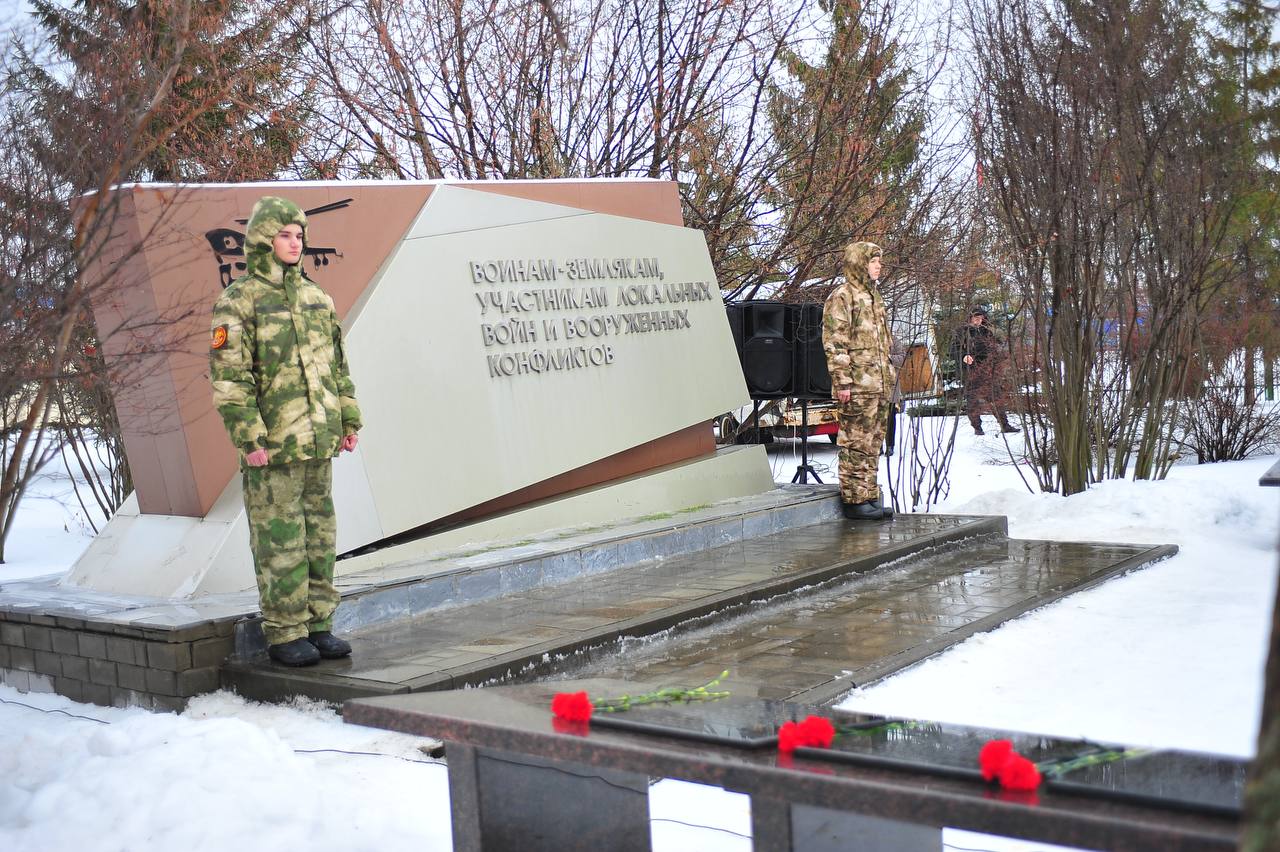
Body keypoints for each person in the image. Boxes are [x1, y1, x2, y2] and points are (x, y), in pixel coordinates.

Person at [209, 196, 363, 667]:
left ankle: (318, 625)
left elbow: (337, 367)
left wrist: (348, 419)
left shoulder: (317, 298)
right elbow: (230, 377)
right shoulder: (240, 300)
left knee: (320, 535)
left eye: (299, 236)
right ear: (262, 239)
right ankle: (285, 631)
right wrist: (249, 437)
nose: (295, 244)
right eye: (284, 235)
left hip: (318, 441)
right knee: (279, 539)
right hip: (273, 447)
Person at [823, 241, 896, 521]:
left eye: (879, 261)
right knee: (855, 442)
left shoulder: (874, 297)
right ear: (859, 263)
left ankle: (869, 495)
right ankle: (854, 500)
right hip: (857, 385)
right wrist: (843, 382)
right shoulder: (843, 296)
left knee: (873, 442)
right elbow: (835, 342)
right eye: (873, 261)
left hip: (878, 384)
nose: (879, 266)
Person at [952, 306, 1019, 436]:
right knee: (973, 401)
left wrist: (996, 360)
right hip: (970, 371)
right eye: (976, 317)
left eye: (981, 318)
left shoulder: (986, 332)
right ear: (970, 318)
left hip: (987, 370)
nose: (978, 320)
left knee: (996, 397)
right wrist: (964, 356)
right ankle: (977, 428)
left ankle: (1005, 425)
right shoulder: (962, 332)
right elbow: (954, 349)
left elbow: (993, 348)